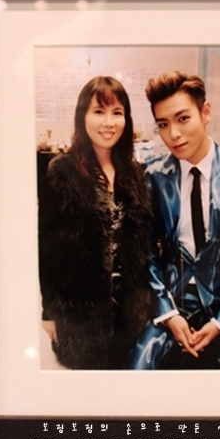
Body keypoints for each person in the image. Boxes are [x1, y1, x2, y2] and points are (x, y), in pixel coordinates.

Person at [129, 71, 220, 370]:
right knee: (136, 375)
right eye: (163, 124)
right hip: (172, 298)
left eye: (183, 119)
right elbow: (145, 253)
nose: (174, 134)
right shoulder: (152, 176)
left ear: (205, 112)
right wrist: (168, 313)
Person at [38, 76, 155, 370]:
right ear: (83, 116)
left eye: (117, 113)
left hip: (131, 311)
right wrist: (49, 311)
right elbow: (47, 247)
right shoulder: (62, 171)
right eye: (99, 112)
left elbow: (143, 244)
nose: (108, 123)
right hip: (80, 311)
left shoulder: (135, 173)